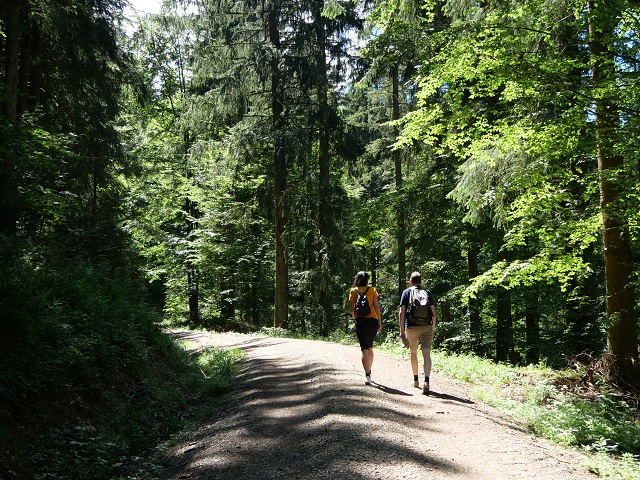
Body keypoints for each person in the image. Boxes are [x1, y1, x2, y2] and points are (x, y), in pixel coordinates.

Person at [399, 271, 436, 394]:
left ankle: (416, 380)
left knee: (413, 352)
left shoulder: (407, 292)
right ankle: (426, 381)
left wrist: (402, 331)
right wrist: (433, 328)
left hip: (412, 326)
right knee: (426, 354)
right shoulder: (427, 293)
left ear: (410, 282)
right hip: (427, 326)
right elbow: (434, 313)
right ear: (420, 281)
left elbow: (402, 312)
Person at [349, 271, 382, 385]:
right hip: (372, 320)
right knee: (370, 347)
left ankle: (367, 375)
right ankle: (370, 370)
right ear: (367, 280)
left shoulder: (353, 291)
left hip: (360, 321)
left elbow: (352, 309)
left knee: (364, 349)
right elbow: (376, 306)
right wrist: (379, 321)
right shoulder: (372, 290)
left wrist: (356, 318)